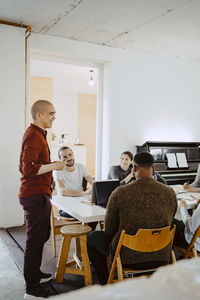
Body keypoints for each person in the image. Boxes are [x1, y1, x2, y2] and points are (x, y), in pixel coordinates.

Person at [87, 152, 177, 285]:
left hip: (128, 256)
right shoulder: (170, 192)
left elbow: (109, 230)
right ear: (154, 168)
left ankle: (105, 282)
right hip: (161, 254)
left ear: (134, 168)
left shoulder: (120, 193)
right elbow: (170, 220)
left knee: (92, 237)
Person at [19, 100, 66, 299]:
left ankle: (35, 273)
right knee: (35, 239)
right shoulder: (34, 135)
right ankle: (32, 286)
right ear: (39, 115)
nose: (54, 117)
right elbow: (28, 168)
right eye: (51, 113)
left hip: (40, 193)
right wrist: (55, 165)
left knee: (41, 236)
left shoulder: (38, 134)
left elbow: (35, 165)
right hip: (34, 195)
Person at [53, 146, 94, 218]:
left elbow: (94, 183)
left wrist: (94, 189)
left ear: (73, 155)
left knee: (93, 213)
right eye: (65, 157)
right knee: (85, 213)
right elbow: (62, 191)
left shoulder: (81, 167)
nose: (68, 158)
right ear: (60, 159)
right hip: (65, 207)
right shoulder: (58, 170)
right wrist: (85, 193)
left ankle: (89, 229)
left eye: (70, 155)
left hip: (79, 202)